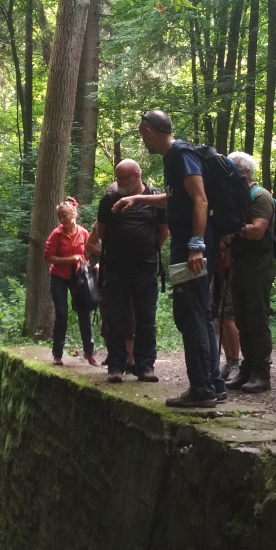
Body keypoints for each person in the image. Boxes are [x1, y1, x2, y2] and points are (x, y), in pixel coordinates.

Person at [114, 110, 226, 408]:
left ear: (149, 131)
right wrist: (139, 198)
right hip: (190, 246)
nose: (143, 140)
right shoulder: (174, 157)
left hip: (191, 249)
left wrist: (196, 244)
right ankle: (214, 384)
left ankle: (202, 389)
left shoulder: (181, 154)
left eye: (142, 134)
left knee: (190, 313)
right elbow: (177, 199)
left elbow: (200, 198)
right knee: (199, 312)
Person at [90, 159, 168, 383]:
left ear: (137, 175)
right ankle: (116, 366)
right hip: (115, 269)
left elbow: (163, 230)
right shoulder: (109, 199)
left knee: (146, 319)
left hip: (145, 269)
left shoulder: (154, 198)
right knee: (115, 319)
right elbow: (102, 232)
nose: (119, 182)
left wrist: (146, 249)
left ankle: (145, 366)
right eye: (117, 178)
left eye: (123, 178)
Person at [222, 152, 276, 394]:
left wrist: (234, 228)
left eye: (230, 169)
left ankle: (261, 373)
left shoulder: (260, 196)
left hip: (258, 265)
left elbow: (257, 230)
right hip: (240, 264)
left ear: (244, 172)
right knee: (242, 320)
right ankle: (247, 369)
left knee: (257, 320)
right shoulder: (237, 198)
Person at [44, 197, 98, 367]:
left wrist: (94, 266)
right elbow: (48, 257)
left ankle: (89, 353)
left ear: (74, 214)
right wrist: (69, 259)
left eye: (64, 216)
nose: (62, 219)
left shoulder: (84, 233)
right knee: (61, 314)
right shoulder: (56, 234)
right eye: (59, 216)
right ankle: (57, 354)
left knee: (84, 312)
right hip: (59, 277)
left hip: (78, 279)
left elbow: (89, 254)